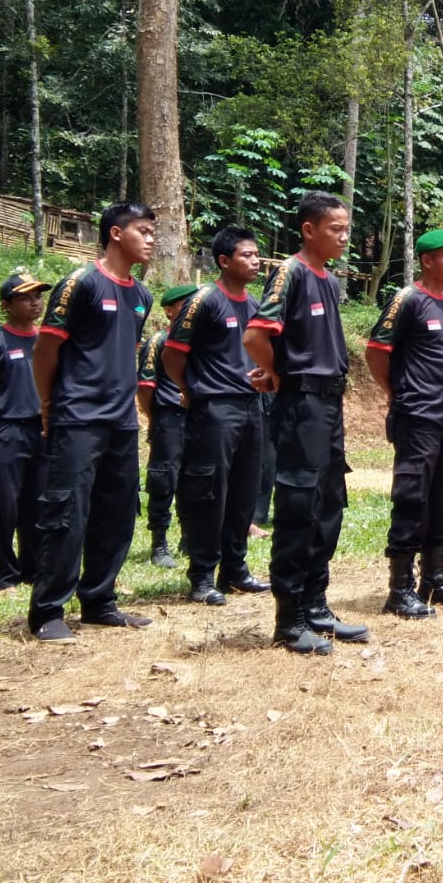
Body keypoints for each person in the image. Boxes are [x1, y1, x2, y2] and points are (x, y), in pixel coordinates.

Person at [244, 191, 369, 655]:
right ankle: (289, 618)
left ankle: (316, 604)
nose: (343, 236)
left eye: (346, 228)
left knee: (329, 504)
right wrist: (277, 371)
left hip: (328, 409)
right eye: (335, 228)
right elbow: (256, 333)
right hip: (302, 406)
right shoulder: (290, 272)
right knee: (298, 507)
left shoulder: (328, 280)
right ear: (309, 230)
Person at [28, 202, 157, 642]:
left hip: (122, 422)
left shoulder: (142, 295)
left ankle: (100, 601)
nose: (151, 238)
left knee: (117, 513)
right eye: (143, 230)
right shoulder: (80, 282)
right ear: (116, 233)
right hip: (78, 417)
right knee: (67, 512)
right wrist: (49, 402)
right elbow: (46, 350)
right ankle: (48, 611)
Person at [365, 229, 443, 619]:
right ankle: (400, 588)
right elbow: (376, 351)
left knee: (442, 500)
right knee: (412, 499)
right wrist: (397, 393)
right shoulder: (407, 299)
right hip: (418, 418)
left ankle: (435, 578)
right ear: (427, 260)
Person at [162, 226, 269, 607]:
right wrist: (191, 389)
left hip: (250, 407)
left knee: (244, 491)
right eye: (247, 255)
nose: (256, 261)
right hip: (213, 409)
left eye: (257, 255)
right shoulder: (202, 300)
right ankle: (203, 575)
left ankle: (235, 569)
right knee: (210, 491)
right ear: (224, 261)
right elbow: (173, 354)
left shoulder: (254, 305)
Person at [0, 269, 51, 592]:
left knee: (37, 505)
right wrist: (1, 413)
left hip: (40, 431)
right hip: (5, 433)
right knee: (4, 507)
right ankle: (4, 576)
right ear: (6, 305)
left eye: (38, 296)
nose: (35, 302)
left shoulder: (46, 340)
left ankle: (32, 569)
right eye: (25, 297)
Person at [136, 283, 198, 568]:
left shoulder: (199, 342)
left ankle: (188, 538)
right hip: (168, 417)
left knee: (194, 479)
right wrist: (154, 418)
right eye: (185, 304)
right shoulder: (158, 341)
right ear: (170, 310)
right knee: (163, 479)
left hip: (196, 418)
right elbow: (145, 388)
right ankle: (159, 542)